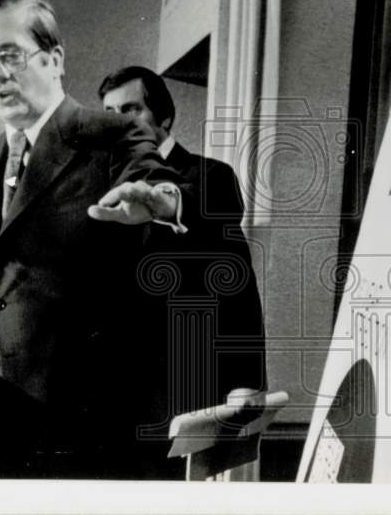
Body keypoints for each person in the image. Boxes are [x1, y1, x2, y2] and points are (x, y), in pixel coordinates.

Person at [0, 0, 194, 478]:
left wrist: (162, 200)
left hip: (94, 431)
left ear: (54, 60)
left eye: (10, 55)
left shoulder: (112, 134)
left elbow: (160, 181)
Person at [98, 66, 266, 437]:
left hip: (185, 387)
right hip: (111, 391)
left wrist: (247, 379)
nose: (118, 123)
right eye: (109, 114)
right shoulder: (100, 188)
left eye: (131, 109)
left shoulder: (211, 177)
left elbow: (238, 282)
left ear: (165, 118)